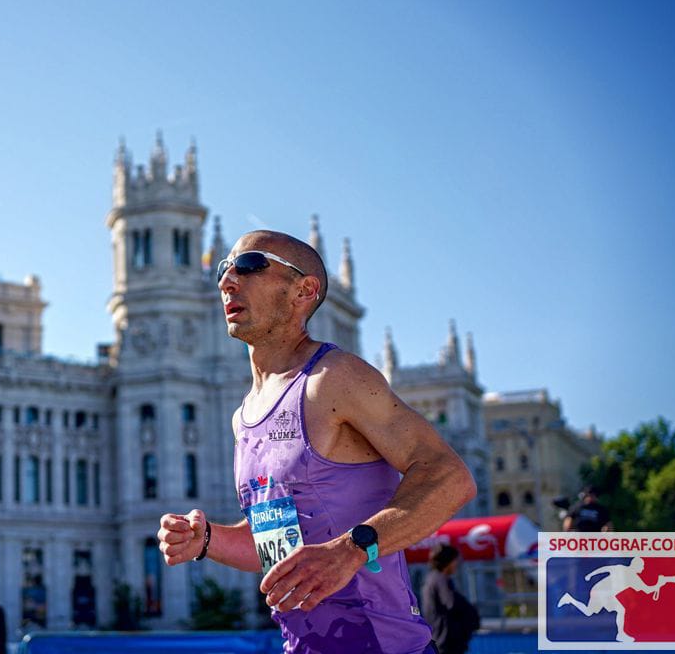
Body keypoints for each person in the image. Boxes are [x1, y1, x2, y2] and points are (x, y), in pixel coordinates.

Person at [157, 230, 477, 654]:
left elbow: (450, 477)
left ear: (303, 290)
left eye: (250, 265)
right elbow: (281, 545)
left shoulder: (334, 378)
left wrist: (350, 550)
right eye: (224, 268)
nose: (227, 281)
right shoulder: (244, 416)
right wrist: (208, 540)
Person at [421, 545, 479, 654]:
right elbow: (451, 603)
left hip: (438, 640)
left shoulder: (431, 579)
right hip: (445, 642)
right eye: (455, 560)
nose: (456, 564)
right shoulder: (441, 579)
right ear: (448, 561)